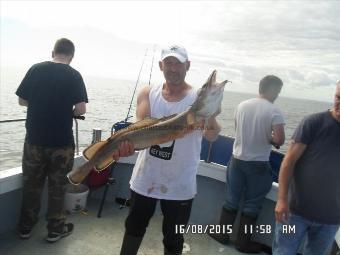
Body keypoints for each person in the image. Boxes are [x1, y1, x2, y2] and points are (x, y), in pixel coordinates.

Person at [114, 45, 221, 255]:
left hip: (180, 182)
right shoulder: (148, 92)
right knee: (134, 227)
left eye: (178, 63)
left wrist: (209, 115)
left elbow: (212, 135)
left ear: (188, 66)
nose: (173, 68)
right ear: (161, 65)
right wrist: (128, 146)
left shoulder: (197, 99)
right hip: (146, 178)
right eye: (169, 63)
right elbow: (142, 126)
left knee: (174, 237)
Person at [15, 38, 88, 243]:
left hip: (34, 142)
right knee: (58, 188)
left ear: (52, 52)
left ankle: (25, 228)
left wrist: (38, 104)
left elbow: (22, 100)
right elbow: (81, 109)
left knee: (31, 186)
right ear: (71, 56)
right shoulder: (74, 75)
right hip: (61, 145)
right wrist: (69, 111)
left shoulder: (36, 69)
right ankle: (55, 230)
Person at [209, 75, 285, 253]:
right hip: (258, 164)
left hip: (236, 160)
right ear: (272, 90)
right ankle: (242, 243)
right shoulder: (275, 111)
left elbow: (239, 130)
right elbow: (280, 139)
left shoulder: (242, 106)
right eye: (278, 91)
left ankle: (222, 234)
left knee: (232, 199)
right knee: (252, 204)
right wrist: (270, 138)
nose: (278, 95)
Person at [272, 82, 340, 255]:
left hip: (331, 220)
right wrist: (281, 200)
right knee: (283, 252)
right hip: (294, 214)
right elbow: (288, 162)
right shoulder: (314, 122)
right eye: (338, 97)